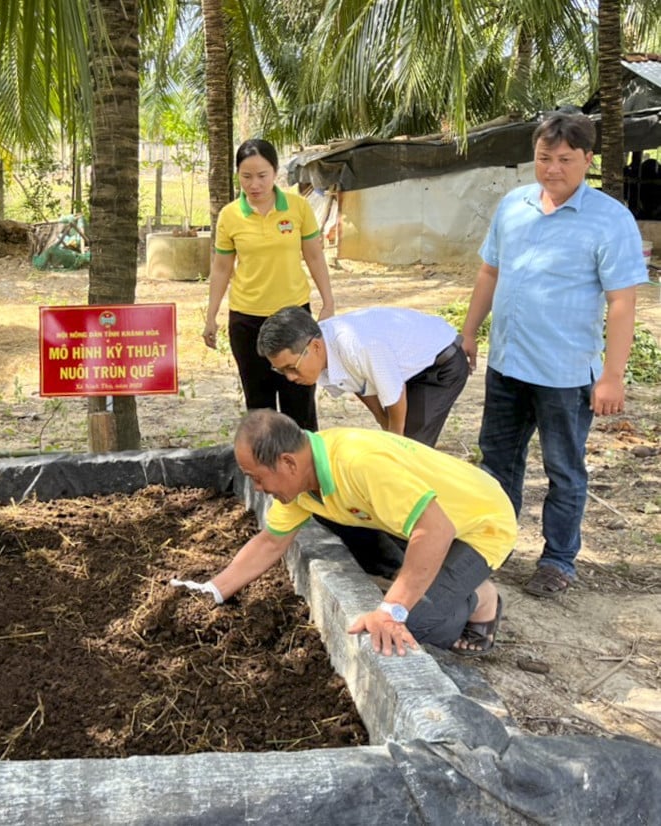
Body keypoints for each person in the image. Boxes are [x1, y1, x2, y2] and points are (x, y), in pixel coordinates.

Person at [461, 112, 649, 599]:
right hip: (507, 364)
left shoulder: (609, 219)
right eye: (544, 157)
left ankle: (558, 559)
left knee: (564, 470)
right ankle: (491, 547)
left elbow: (622, 301)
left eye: (565, 159)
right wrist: (468, 334)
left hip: (565, 374)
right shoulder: (513, 206)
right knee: (498, 462)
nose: (552, 168)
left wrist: (612, 375)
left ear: (588, 159)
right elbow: (489, 273)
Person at [172, 410, 515, 657]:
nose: (258, 489)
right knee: (405, 595)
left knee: (411, 627)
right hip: (428, 520)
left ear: (288, 463)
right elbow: (270, 541)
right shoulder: (302, 483)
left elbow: (436, 529)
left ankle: (480, 598)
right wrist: (212, 591)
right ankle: (437, 579)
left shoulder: (357, 463)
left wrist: (392, 610)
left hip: (479, 525)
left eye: (258, 477)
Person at [202, 139, 335, 427]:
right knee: (259, 405)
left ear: (275, 172)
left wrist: (328, 302)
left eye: (262, 175)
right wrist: (211, 316)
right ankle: (264, 468)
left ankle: (306, 466)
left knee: (299, 401)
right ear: (237, 174)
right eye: (246, 176)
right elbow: (222, 268)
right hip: (247, 321)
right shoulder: (230, 215)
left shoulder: (298, 208)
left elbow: (314, 256)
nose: (255, 184)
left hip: (294, 319)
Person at [257, 306, 468, 446]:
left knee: (410, 447)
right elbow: (359, 384)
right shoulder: (324, 350)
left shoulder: (357, 345)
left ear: (315, 347)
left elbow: (395, 392)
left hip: (440, 365)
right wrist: (382, 420)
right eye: (281, 371)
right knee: (396, 441)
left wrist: (394, 437)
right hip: (407, 371)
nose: (290, 378)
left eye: (291, 367)